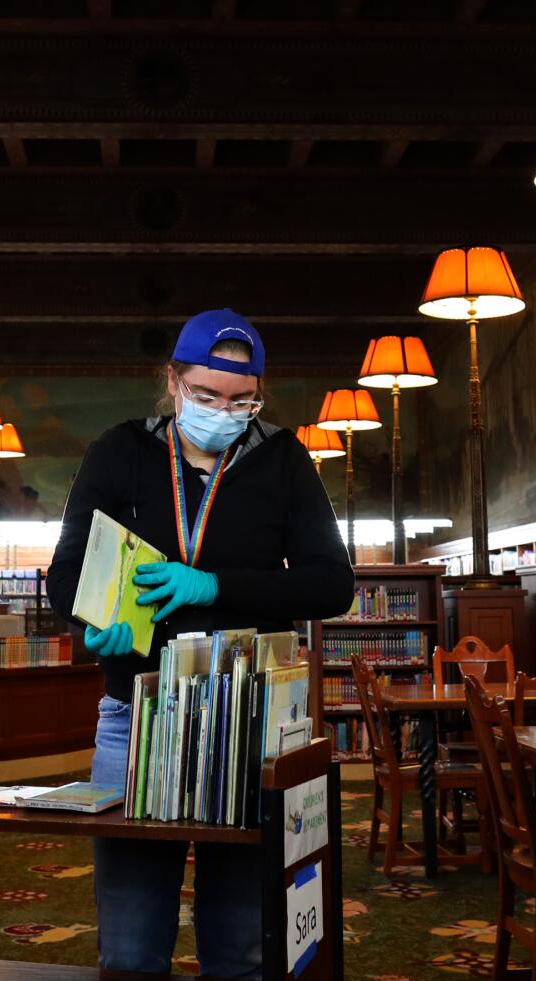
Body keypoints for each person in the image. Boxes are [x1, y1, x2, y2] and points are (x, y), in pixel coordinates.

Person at [47, 309, 354, 978]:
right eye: (207, 396)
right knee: (129, 945)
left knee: (241, 943)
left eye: (241, 400)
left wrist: (212, 585)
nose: (224, 412)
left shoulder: (283, 458)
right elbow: (65, 572)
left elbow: (333, 584)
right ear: (173, 382)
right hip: (135, 716)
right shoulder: (118, 450)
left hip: (249, 720)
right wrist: (88, 619)